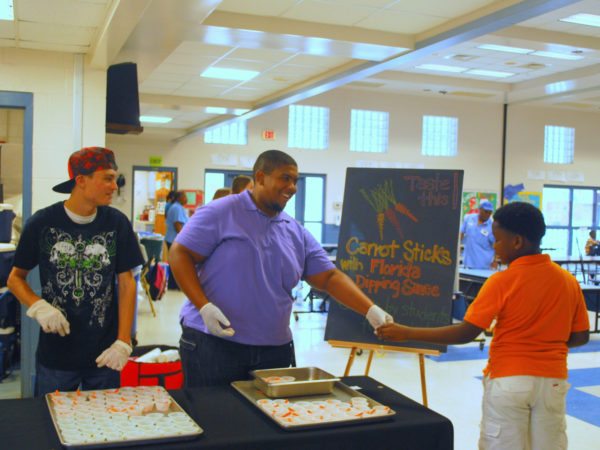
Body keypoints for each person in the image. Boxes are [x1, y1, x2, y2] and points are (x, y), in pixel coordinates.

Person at [169, 149, 392, 387]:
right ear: (261, 177)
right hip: (214, 343)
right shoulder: (221, 212)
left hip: (273, 350)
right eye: (285, 178)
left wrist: (370, 309)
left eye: (295, 180)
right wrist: (203, 306)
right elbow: (179, 253)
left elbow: (328, 277)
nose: (293, 187)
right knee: (217, 419)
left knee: (268, 421)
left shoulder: (293, 230)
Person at [377, 202, 589, 450]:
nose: (494, 247)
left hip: (509, 381)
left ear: (517, 242)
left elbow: (467, 332)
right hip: (553, 381)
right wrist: (546, 341)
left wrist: (407, 333)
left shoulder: (502, 281)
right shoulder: (568, 281)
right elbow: (580, 337)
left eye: (498, 240)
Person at [7, 147, 144, 396]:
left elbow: (127, 282)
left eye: (114, 178)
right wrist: (38, 306)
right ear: (81, 180)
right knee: (51, 422)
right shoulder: (42, 223)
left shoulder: (117, 223)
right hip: (57, 354)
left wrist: (124, 341)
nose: (114, 186)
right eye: (107, 178)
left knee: (104, 423)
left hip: (106, 353)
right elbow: (15, 278)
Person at [460, 199, 496, 269]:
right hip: (467, 262)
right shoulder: (469, 218)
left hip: (483, 265)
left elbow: (496, 245)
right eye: (486, 212)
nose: (488, 214)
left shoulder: (492, 226)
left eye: (490, 212)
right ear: (480, 209)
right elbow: (461, 233)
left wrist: (495, 261)